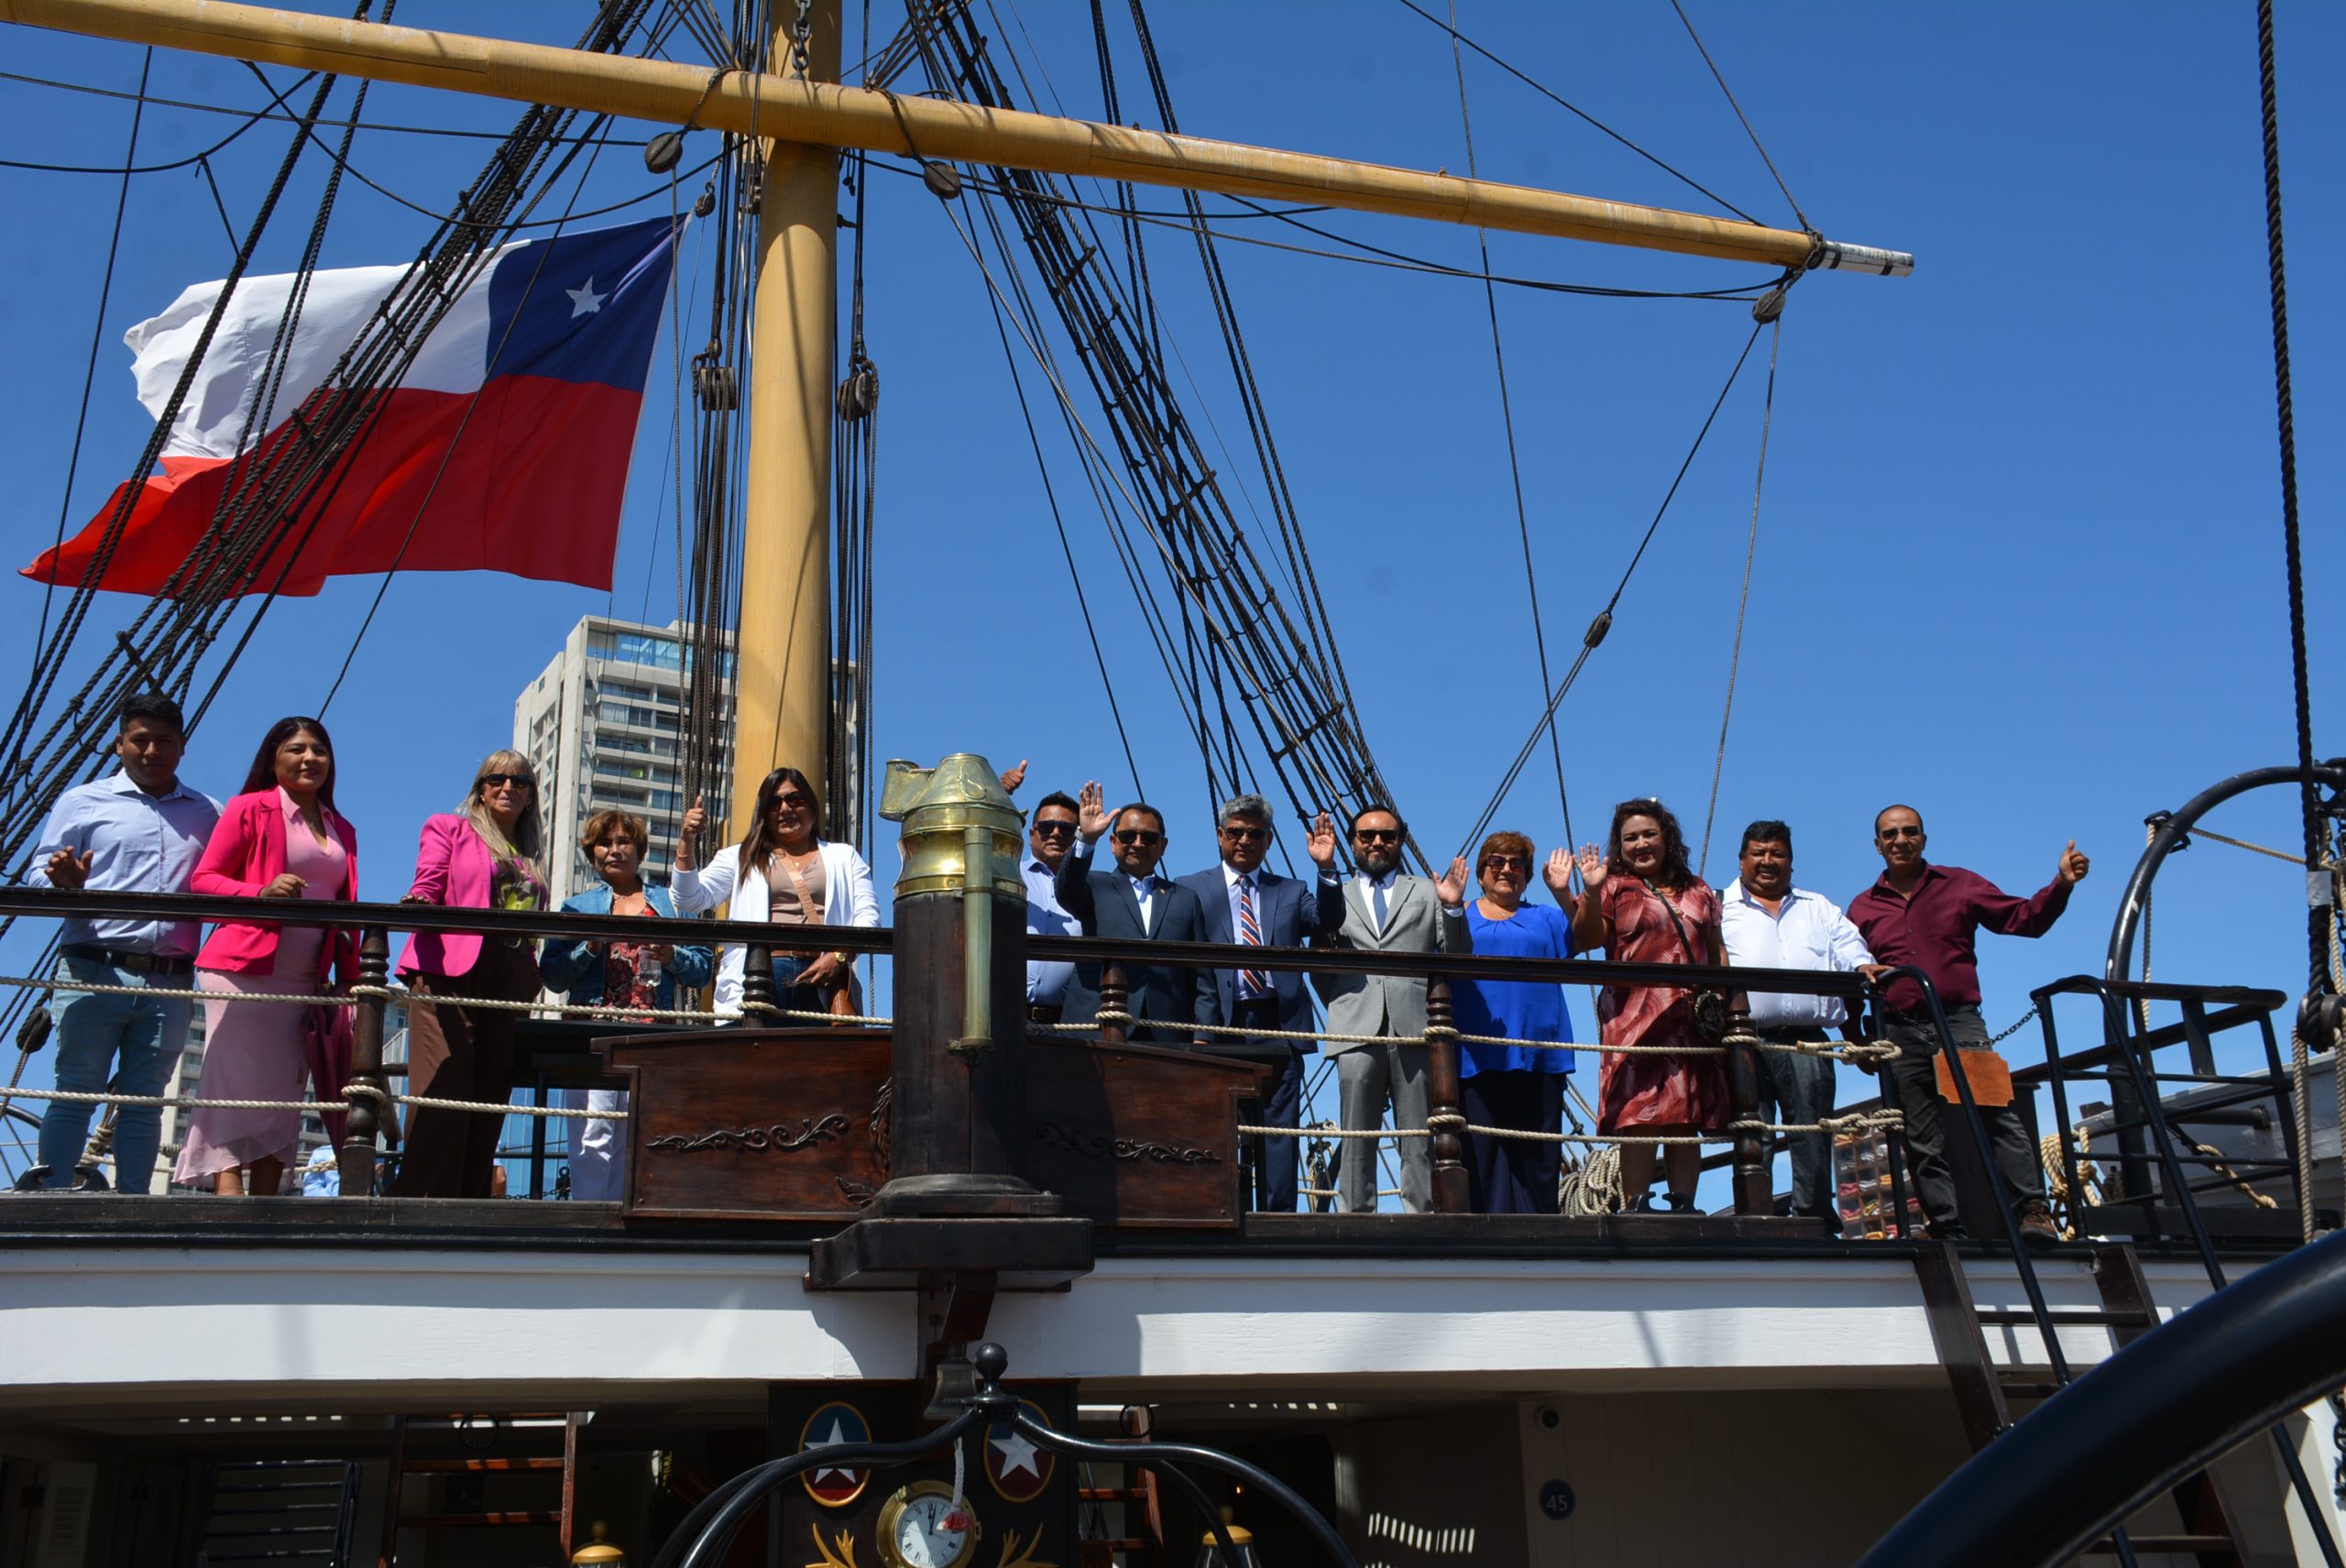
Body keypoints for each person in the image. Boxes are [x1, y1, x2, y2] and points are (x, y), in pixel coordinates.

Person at [1848, 805, 2088, 1243]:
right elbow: (1851, 976)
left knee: (1997, 1116)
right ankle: (1945, 1227)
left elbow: (2024, 919)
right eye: (1890, 834)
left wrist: (2062, 885)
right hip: (1898, 1031)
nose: (1900, 840)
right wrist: (1858, 1038)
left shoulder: (1959, 884)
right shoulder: (1862, 908)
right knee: (1919, 1136)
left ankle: (2034, 1211)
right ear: (1877, 845)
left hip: (1959, 1022)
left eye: (1909, 832)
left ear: (1923, 839)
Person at [27, 693, 220, 1193]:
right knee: (76, 1091)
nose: (151, 751)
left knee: (146, 1100)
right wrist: (64, 882)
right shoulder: (82, 801)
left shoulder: (209, 812)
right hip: (94, 966)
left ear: (182, 747)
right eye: (140, 740)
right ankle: (53, 1200)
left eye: (164, 741)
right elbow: (37, 874)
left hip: (170, 976)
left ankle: (133, 1204)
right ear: (119, 744)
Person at [174, 717, 361, 1196]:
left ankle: (264, 1202)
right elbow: (204, 881)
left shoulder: (342, 827)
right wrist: (261, 892)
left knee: (285, 1087)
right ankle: (228, 1195)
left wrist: (350, 978)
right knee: (233, 1081)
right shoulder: (249, 808)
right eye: (296, 749)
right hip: (242, 967)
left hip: (306, 976)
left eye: (319, 749)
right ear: (273, 760)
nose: (309, 758)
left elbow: (348, 910)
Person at [387, 751, 550, 1200]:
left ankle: (469, 1199)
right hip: (450, 967)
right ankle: (422, 1199)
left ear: (530, 797)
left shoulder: (531, 855)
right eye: (497, 778)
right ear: (480, 790)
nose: (508, 787)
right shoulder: (449, 828)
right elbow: (429, 879)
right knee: (447, 1082)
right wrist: (421, 899)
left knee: (491, 1092)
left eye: (520, 781)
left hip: (510, 979)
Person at [1175, 795, 1343, 1212]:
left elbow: (1327, 920)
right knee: (1214, 1124)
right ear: (1220, 836)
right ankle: (1218, 1212)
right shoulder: (1189, 888)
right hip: (1216, 1021)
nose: (1244, 840)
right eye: (1235, 832)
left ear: (1269, 840)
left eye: (1255, 833)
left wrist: (1326, 868)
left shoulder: (1291, 890)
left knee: (1279, 1130)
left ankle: (1278, 1218)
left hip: (1278, 1021)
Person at [538, 807, 713, 1201]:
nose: (614, 850)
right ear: (592, 852)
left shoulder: (671, 902)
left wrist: (671, 955)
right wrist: (588, 949)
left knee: (641, 1132)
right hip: (592, 1032)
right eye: (604, 843)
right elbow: (552, 975)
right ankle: (591, 1216)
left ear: (639, 850)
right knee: (593, 1131)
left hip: (652, 1033)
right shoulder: (577, 907)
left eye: (624, 842)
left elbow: (703, 969)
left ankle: (627, 1215)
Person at [1717, 819, 1880, 1230]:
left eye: (1777, 853)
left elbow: (1848, 944)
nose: (1767, 861)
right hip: (1744, 1039)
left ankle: (1813, 1217)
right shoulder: (1719, 907)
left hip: (1808, 1040)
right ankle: (1756, 1219)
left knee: (1812, 1131)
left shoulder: (1818, 907)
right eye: (1758, 853)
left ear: (1791, 862)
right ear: (1741, 860)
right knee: (1753, 1132)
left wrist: (1862, 965)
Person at [1312, 804, 1471, 1215]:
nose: (1377, 842)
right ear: (1352, 842)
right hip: (1354, 1023)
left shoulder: (1427, 892)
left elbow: (1457, 955)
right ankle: (1354, 1217)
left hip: (1414, 1024)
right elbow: (1319, 966)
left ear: (1401, 840)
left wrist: (1453, 908)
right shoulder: (1335, 895)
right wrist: (1344, 1000)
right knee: (1355, 1133)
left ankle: (1421, 1215)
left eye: (1387, 835)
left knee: (1418, 1133)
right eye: (1367, 835)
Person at [1571, 798, 1725, 1215]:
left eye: (1649, 834)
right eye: (1631, 838)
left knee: (1683, 1113)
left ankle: (1684, 1205)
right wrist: (1590, 891)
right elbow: (1587, 939)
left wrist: (1727, 1002)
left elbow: (1716, 950)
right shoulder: (1614, 887)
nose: (1641, 844)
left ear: (1667, 838)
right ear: (1619, 846)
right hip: (1634, 1017)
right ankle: (1636, 1204)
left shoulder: (1698, 889)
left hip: (1689, 1017)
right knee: (1637, 1112)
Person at [673, 770, 880, 1019]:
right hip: (759, 973)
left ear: (812, 805)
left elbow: (868, 916)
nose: (784, 809)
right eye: (773, 803)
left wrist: (839, 956)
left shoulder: (844, 857)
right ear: (764, 814)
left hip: (822, 976)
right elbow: (688, 899)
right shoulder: (741, 857)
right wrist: (687, 840)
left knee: (817, 1043)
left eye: (795, 799)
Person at [1453, 832, 1579, 1214]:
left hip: (1538, 1052)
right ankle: (1489, 1240)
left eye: (1517, 863)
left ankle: (1539, 1238)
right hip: (1476, 1053)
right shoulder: (1459, 916)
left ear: (1527, 875)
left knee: (1539, 1161)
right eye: (1497, 862)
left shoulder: (1547, 917)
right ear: (1480, 873)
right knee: (1481, 1158)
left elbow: (1588, 936)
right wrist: (1451, 906)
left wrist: (1565, 893)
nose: (1507, 869)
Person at [1055, 783, 1213, 1041]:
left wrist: (1203, 1034)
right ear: (1113, 842)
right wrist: (1087, 839)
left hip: (1168, 1031)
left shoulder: (1185, 899)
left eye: (1149, 838)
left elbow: (1202, 976)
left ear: (1163, 846)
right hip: (1099, 1025)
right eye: (1128, 836)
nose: (1138, 844)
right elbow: (1066, 891)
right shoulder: (1094, 885)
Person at [1021, 791, 1082, 1027]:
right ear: (1032, 834)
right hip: (1003, 1016)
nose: (1056, 833)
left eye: (1066, 829)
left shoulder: (1089, 889)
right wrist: (1001, 793)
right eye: (1046, 827)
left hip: (1065, 1026)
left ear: (1077, 837)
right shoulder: (1008, 873)